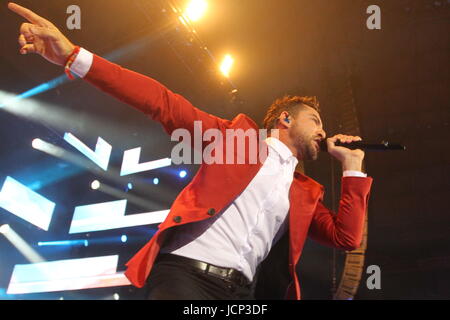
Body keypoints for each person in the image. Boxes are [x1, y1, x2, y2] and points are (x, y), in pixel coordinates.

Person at [8, 2, 373, 300]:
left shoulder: (303, 191)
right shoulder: (235, 140)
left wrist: (353, 167)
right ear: (285, 120)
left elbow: (346, 238)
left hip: (242, 295)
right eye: (314, 119)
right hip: (186, 277)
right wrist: (74, 56)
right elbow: (161, 102)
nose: (323, 131)